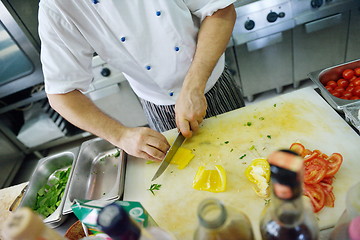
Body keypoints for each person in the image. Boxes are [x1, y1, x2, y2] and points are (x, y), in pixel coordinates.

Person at [38, 0, 245, 162]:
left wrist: (193, 86)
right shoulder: (57, 6)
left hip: (213, 83)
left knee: (247, 152)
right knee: (191, 175)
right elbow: (60, 93)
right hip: (158, 106)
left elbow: (221, 11)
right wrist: (120, 136)